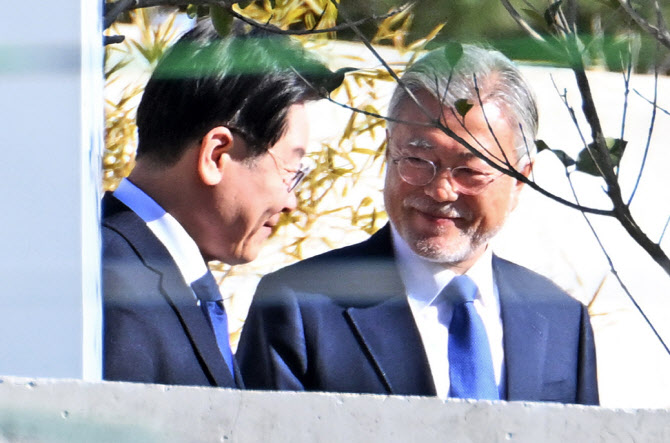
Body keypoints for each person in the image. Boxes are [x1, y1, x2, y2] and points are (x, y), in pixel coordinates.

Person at [237, 44, 599, 404]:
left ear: (520, 179)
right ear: (388, 152)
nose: (441, 190)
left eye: (470, 171)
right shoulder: (299, 306)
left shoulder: (562, 321)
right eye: (417, 160)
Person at [102, 19, 331, 387]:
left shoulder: (155, 275)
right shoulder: (116, 290)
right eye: (290, 170)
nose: (291, 201)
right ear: (216, 155)